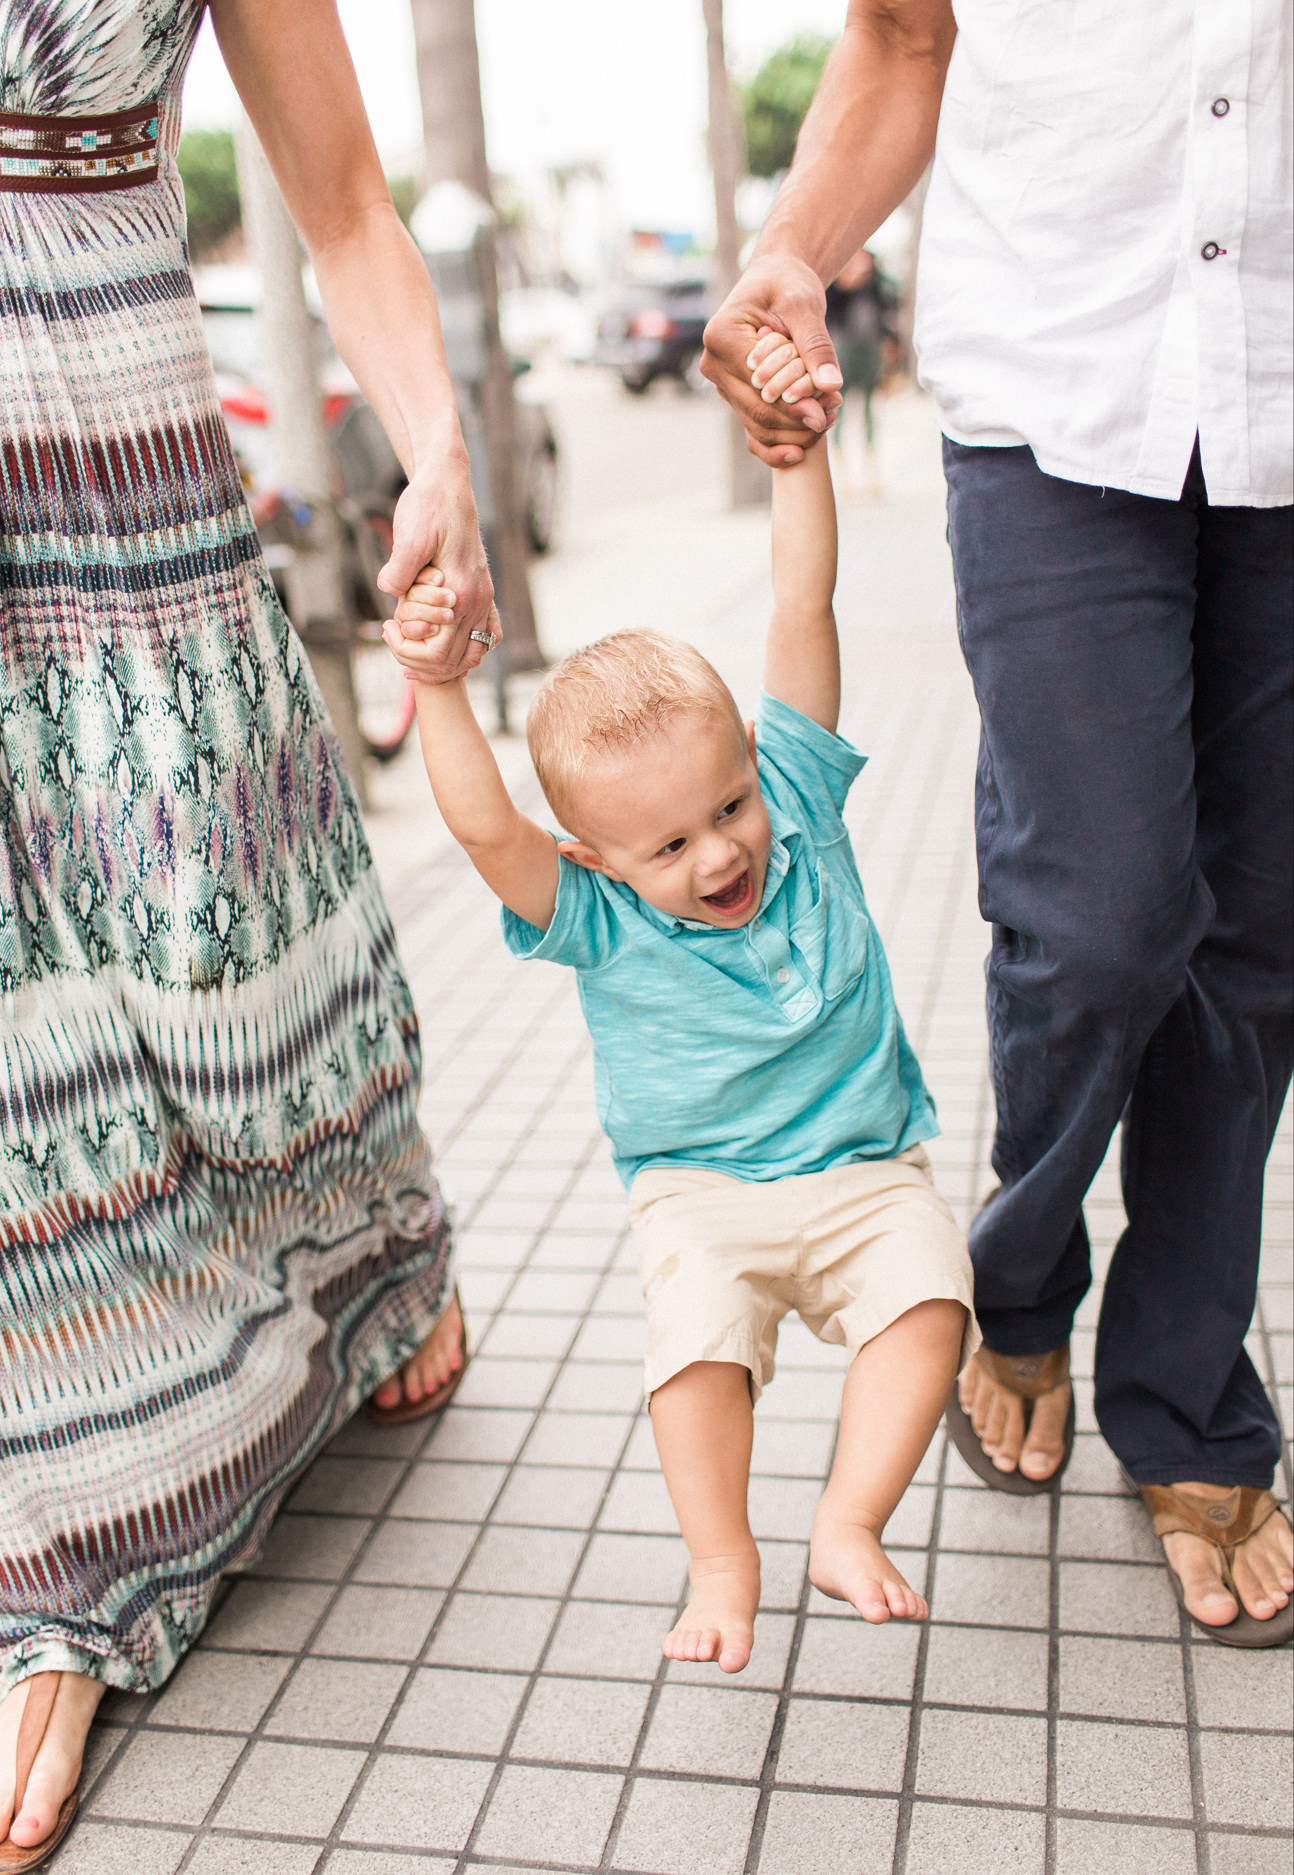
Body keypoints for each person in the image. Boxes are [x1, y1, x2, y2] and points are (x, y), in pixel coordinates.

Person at [0, 1, 491, 1866]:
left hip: (118, 466)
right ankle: (55, 1582)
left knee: (226, 961)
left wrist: (440, 459)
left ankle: (377, 1247)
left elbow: (342, 200)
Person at [702, 0, 1293, 1646]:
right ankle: (1016, 1282)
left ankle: (1182, 1392)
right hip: (1057, 382)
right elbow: (905, 34)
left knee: (1254, 943)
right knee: (1102, 919)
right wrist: (795, 248)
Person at [385, 368, 978, 1672]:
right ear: (594, 858)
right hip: (700, 1190)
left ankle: (847, 1516)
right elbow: (484, 826)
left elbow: (798, 604)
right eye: (664, 842)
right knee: (692, 1358)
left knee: (931, 1298)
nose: (717, 852)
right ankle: (722, 1554)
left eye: (726, 806)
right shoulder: (597, 914)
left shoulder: (799, 804)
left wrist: (793, 462)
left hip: (864, 1169)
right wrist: (434, 682)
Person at [825, 248, 897, 500]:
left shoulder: (875, 280)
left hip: (869, 351)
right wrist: (846, 283)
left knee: (869, 412)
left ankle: (872, 476)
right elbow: (829, 311)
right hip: (844, 352)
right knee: (838, 413)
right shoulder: (835, 281)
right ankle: (844, 480)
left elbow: (887, 310)